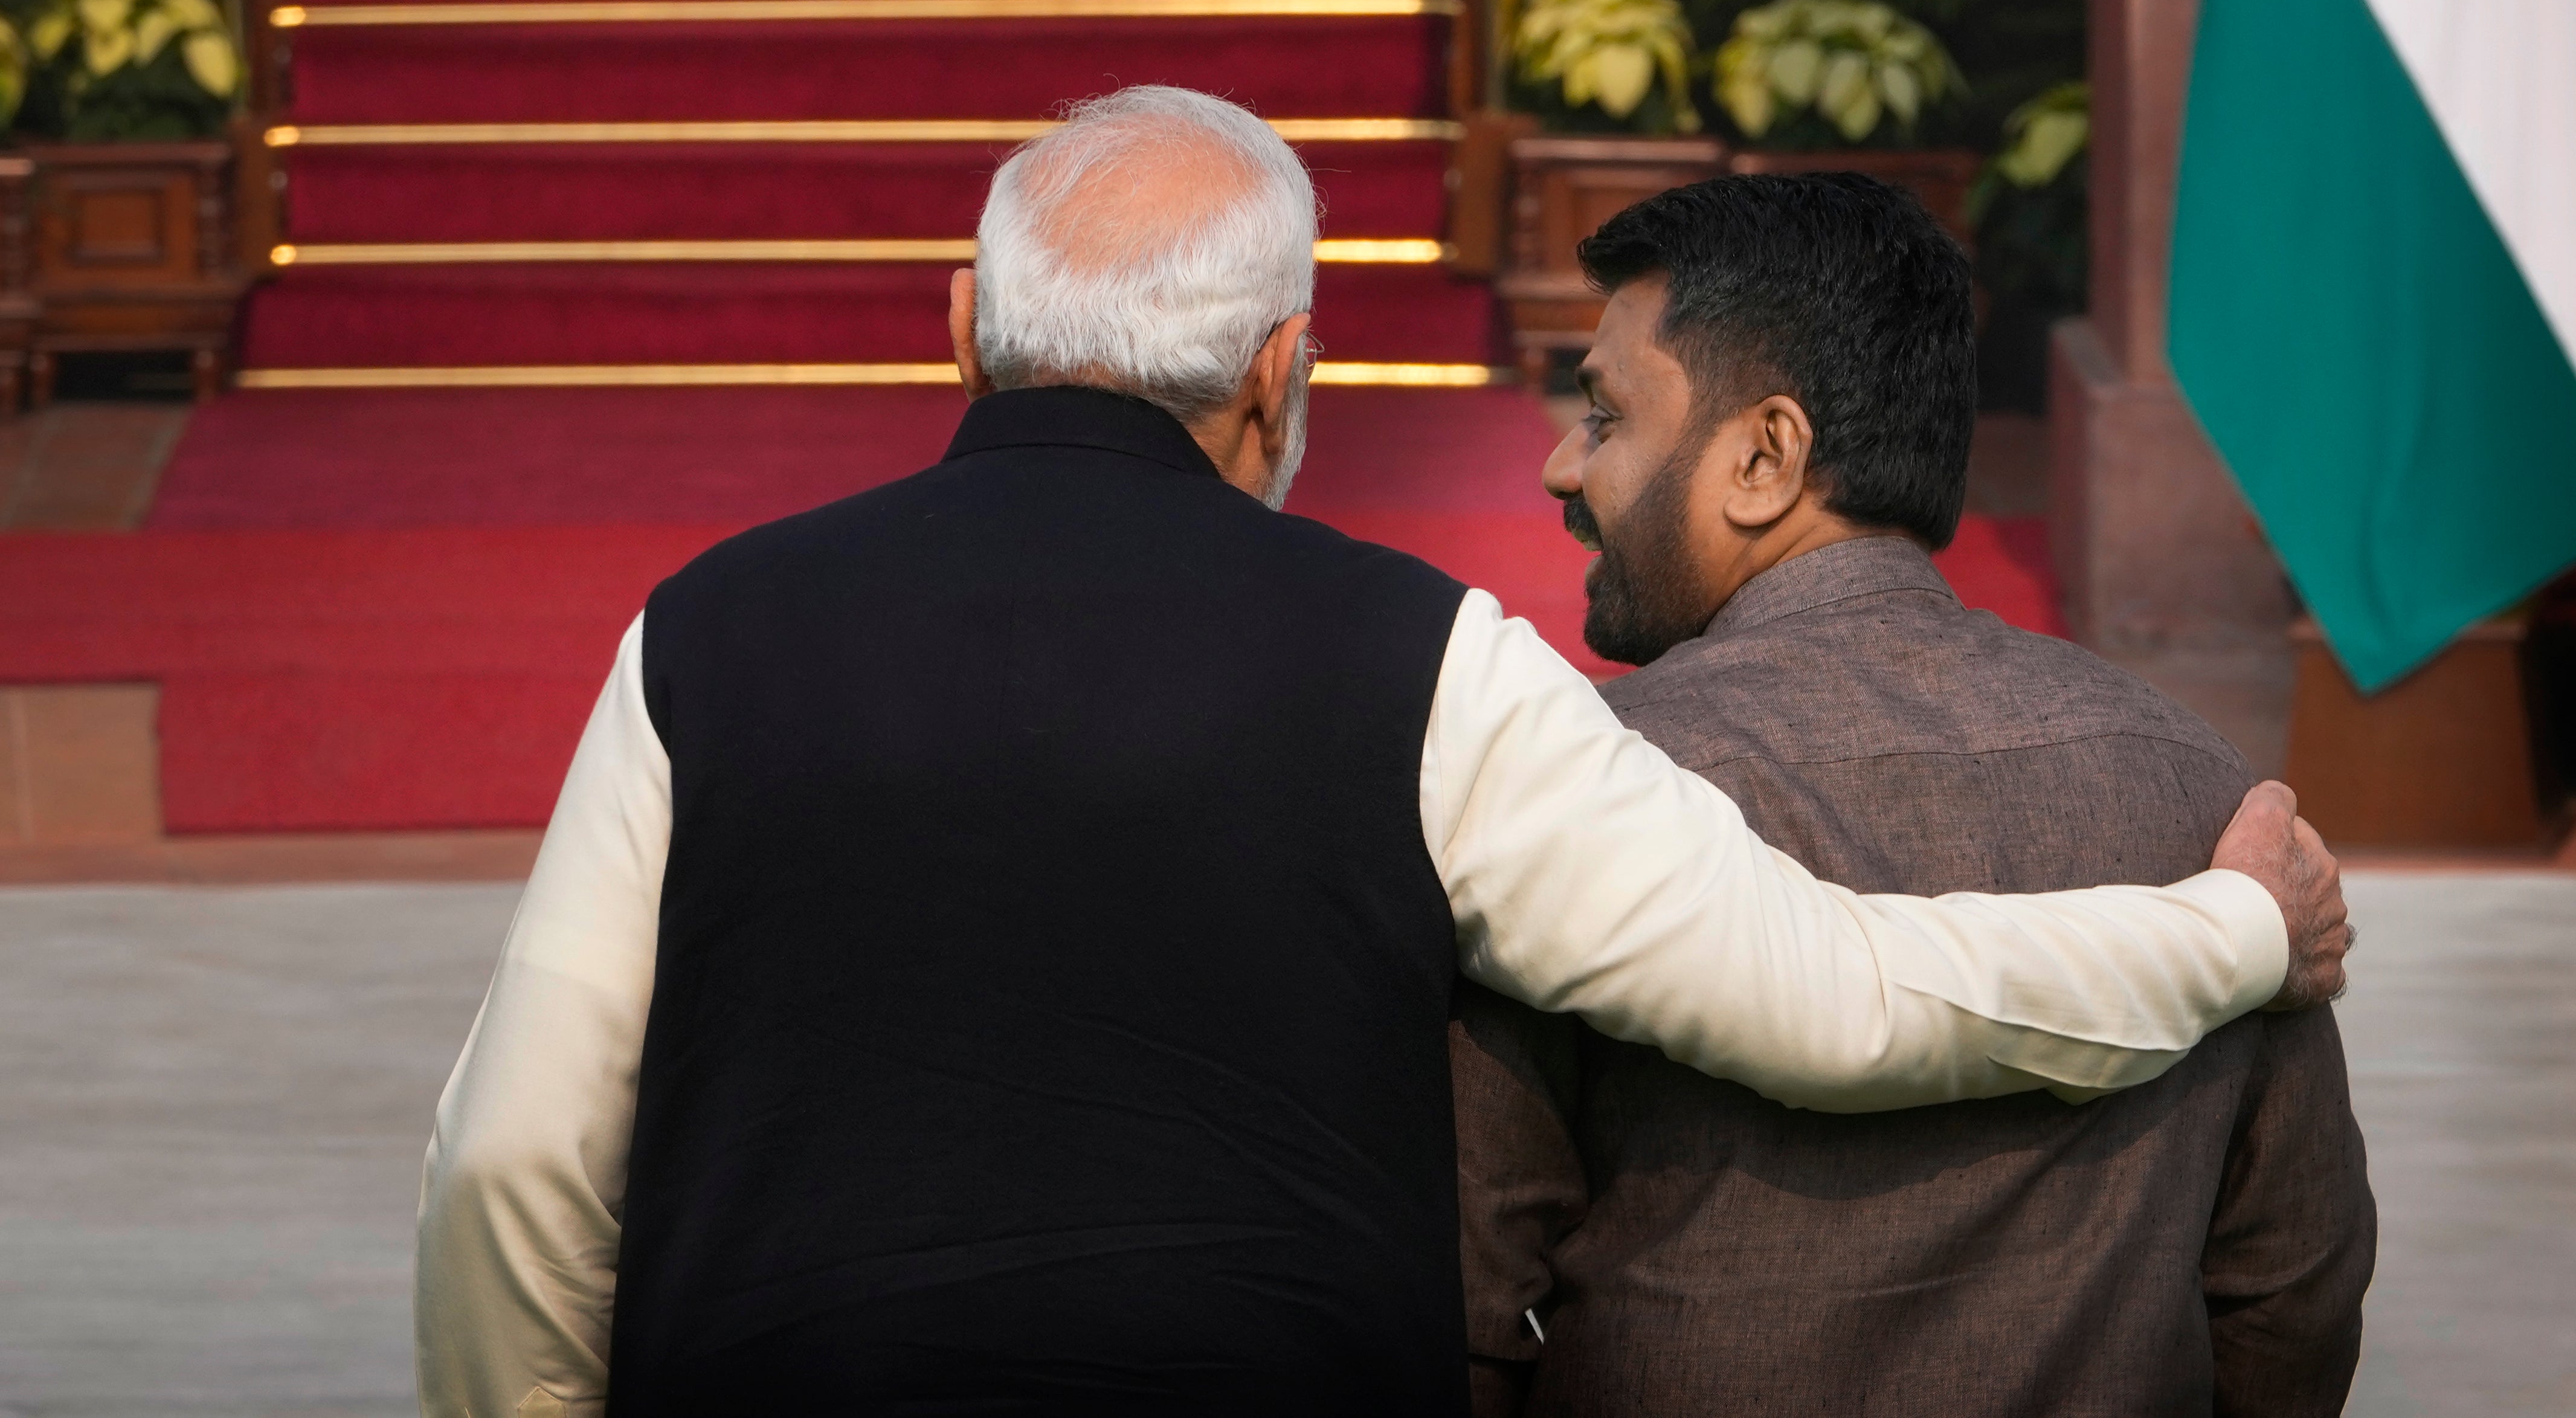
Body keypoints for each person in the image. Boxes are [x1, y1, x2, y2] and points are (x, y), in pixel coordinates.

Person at [413, 87, 2349, 1418]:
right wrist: (2232, 933)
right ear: (1278, 371)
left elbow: (513, 1161)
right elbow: (1826, 994)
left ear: (961, 328)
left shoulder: (706, 630)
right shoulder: (1420, 660)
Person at [1455, 170, 2375, 1417]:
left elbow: (1462, 1288)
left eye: (1607, 417)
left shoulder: (1582, 786)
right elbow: (2292, 1286)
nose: (1567, 468)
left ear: (1764, 457)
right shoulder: (2202, 795)